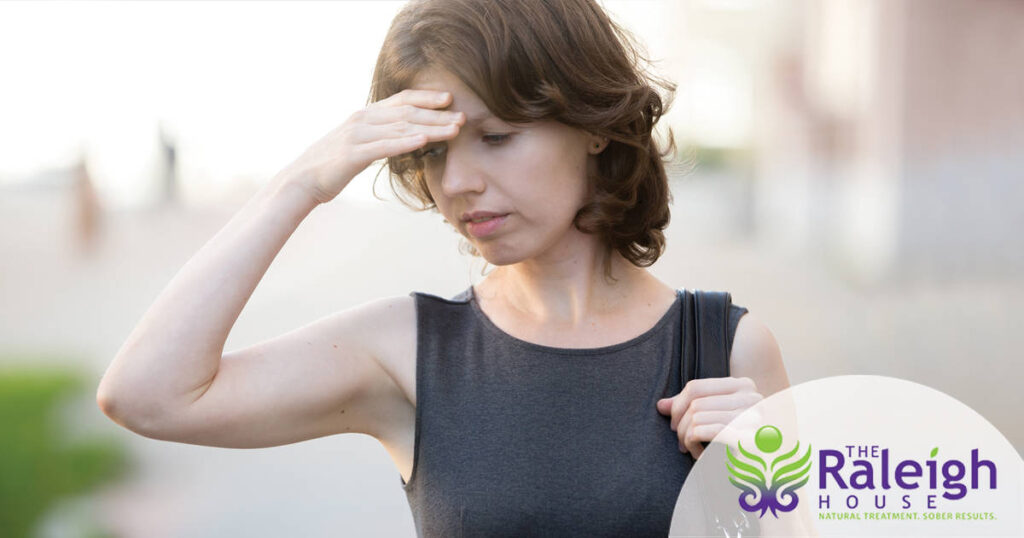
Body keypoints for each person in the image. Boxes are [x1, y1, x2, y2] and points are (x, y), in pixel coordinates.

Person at [96, 0, 792, 536]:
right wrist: (301, 182)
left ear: (593, 124)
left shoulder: (727, 349)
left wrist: (767, 482)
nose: (455, 181)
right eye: (430, 151)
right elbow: (147, 394)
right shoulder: (408, 350)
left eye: (495, 137)